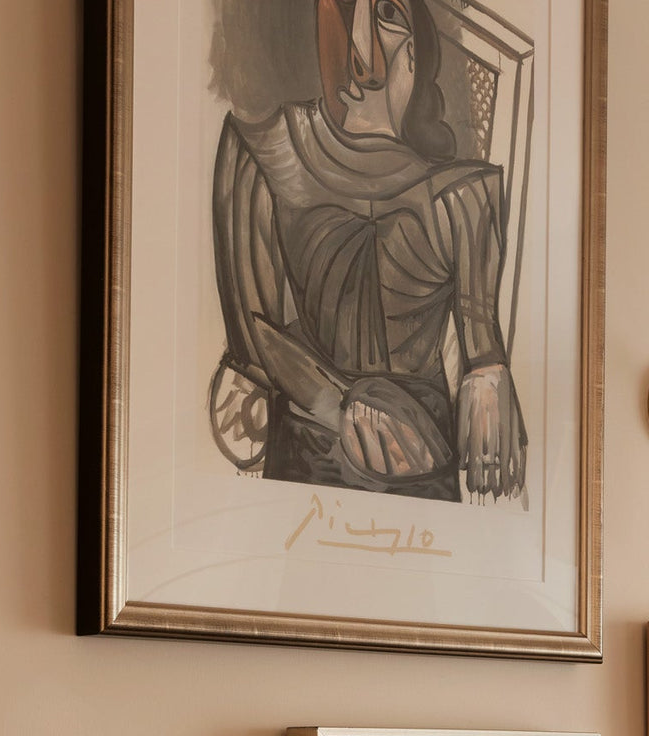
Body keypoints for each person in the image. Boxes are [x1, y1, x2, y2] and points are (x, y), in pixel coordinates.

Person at [209, 0, 526, 504]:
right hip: (311, 446)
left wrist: (489, 378)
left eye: (387, 14)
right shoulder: (266, 152)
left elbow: (482, 350)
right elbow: (253, 333)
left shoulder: (467, 194)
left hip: (424, 460)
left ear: (418, 57)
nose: (364, 42)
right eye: (345, 9)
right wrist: (340, 404)